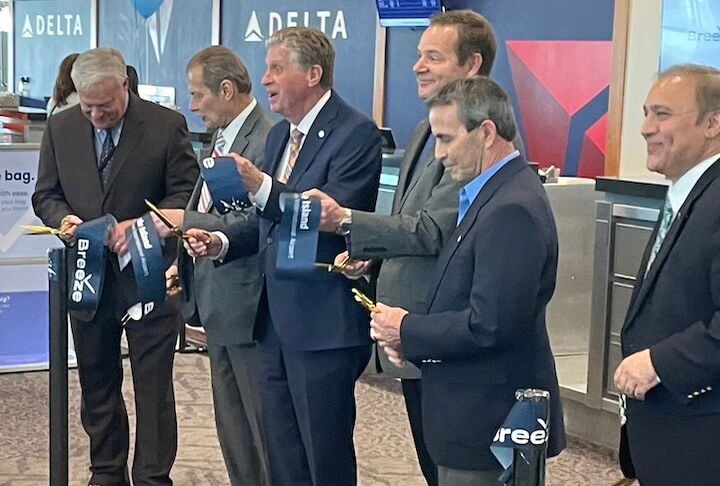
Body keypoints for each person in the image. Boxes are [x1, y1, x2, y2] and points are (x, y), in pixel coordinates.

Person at [305, 10, 507, 485]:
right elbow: (410, 225)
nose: (417, 66)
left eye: (432, 57)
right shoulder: (423, 131)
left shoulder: (480, 142)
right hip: (414, 337)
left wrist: (347, 219)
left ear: (472, 64)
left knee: (455, 470)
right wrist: (372, 253)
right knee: (433, 463)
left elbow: (434, 229)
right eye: (418, 55)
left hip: (447, 337)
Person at [185, 27, 382, 485]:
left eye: (277, 68)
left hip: (322, 325)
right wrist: (223, 243)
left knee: (323, 458)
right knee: (282, 458)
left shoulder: (356, 134)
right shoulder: (280, 140)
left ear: (313, 74)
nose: (266, 78)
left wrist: (262, 187)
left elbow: (327, 218)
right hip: (270, 323)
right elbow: (270, 223)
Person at [370, 77, 565, 485]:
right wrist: (417, 346)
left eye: (447, 139)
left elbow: (490, 323)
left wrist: (407, 328)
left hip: (488, 422)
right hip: (472, 413)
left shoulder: (510, 208)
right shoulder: (489, 192)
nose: (439, 155)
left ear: (487, 133)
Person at [32, 47, 198, 486]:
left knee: (153, 387)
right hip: (88, 276)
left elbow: (185, 194)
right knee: (97, 380)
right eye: (87, 105)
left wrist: (147, 225)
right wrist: (63, 220)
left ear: (125, 84)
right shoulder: (61, 126)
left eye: (105, 105)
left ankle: (152, 476)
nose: (96, 114)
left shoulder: (165, 125)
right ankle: (106, 472)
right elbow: (45, 194)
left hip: (150, 274)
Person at [152, 45, 272, 486]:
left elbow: (255, 222)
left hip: (249, 305)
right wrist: (181, 264)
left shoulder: (264, 140)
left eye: (197, 94)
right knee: (233, 431)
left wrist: (188, 223)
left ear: (226, 89)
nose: (192, 105)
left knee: (259, 433)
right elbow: (211, 207)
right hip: (215, 299)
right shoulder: (222, 137)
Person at [613, 64, 720, 485]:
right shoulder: (688, 193)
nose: (644, 128)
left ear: (712, 124)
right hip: (670, 437)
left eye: (662, 114)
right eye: (645, 112)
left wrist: (660, 362)